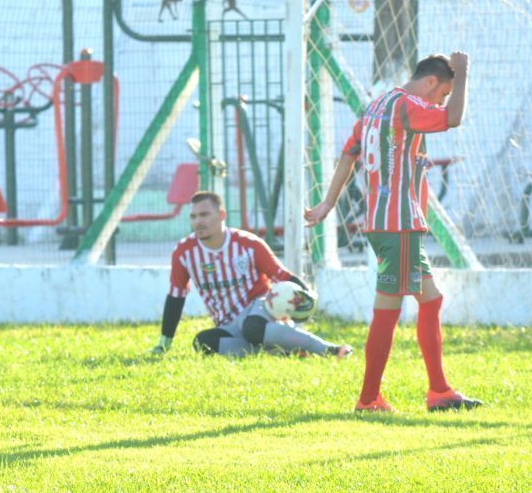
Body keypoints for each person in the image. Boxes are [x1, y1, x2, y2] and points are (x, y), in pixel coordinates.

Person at [306, 53, 483, 413]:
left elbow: (349, 153)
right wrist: (463, 73)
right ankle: (369, 398)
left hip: (388, 222)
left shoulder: (377, 107)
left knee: (430, 302)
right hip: (398, 224)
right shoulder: (408, 104)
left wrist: (328, 203)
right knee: (387, 310)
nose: (440, 102)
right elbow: (453, 119)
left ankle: (439, 392)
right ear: (431, 81)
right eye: (443, 92)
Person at [153, 191, 351, 358]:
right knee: (202, 342)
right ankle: (280, 351)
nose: (198, 222)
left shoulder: (248, 244)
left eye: (204, 215)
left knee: (252, 327)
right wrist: (164, 342)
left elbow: (282, 276)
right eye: (194, 217)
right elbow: (176, 297)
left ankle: (327, 349)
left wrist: (307, 296)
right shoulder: (184, 252)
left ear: (222, 215)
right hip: (228, 323)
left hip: (261, 310)